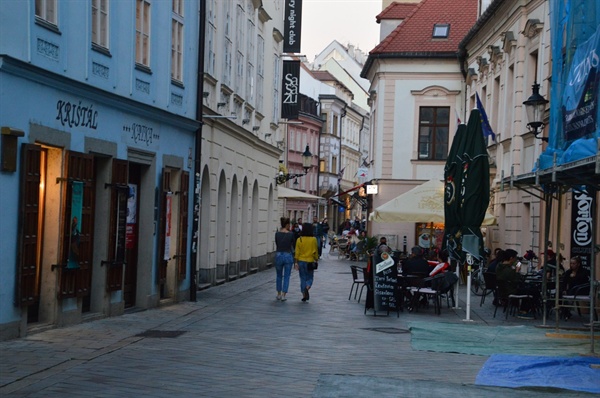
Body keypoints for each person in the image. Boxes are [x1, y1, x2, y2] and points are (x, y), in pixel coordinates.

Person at [495, 249, 540, 319]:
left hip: (505, 289)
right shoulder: (509, 270)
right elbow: (517, 280)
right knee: (532, 290)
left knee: (529, 288)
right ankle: (524, 310)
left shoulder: (500, 266)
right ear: (511, 258)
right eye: (515, 258)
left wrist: (517, 265)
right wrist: (517, 271)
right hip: (511, 290)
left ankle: (525, 309)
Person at [294, 222, 319, 302]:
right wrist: (316, 258)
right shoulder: (313, 239)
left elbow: (297, 252)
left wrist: (296, 262)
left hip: (301, 261)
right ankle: (307, 287)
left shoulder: (299, 239)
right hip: (310, 261)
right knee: (310, 277)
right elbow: (315, 250)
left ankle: (304, 294)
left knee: (302, 278)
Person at [274, 217, 295, 301]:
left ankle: (278, 294)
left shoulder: (277, 234)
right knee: (287, 276)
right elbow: (292, 245)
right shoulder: (291, 234)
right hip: (288, 255)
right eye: (289, 224)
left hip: (279, 254)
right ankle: (283, 294)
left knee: (279, 276)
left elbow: (277, 244)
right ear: (286, 225)